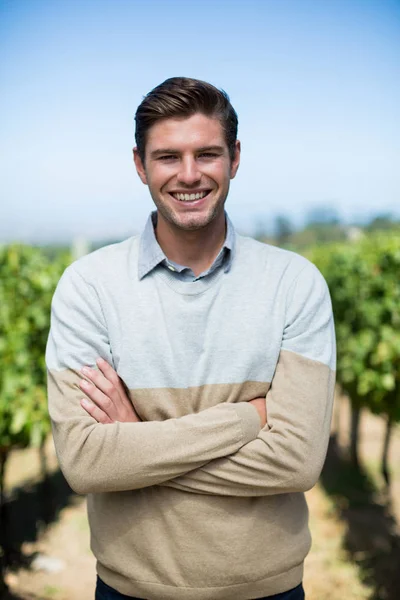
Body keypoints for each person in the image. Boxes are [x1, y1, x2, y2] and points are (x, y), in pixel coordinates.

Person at [46, 77, 336, 600]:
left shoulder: (296, 284)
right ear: (139, 164)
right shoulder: (87, 287)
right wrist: (251, 417)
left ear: (235, 158)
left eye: (207, 154)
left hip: (270, 591)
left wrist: (135, 443)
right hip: (127, 591)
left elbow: (298, 460)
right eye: (167, 157)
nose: (188, 175)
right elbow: (87, 461)